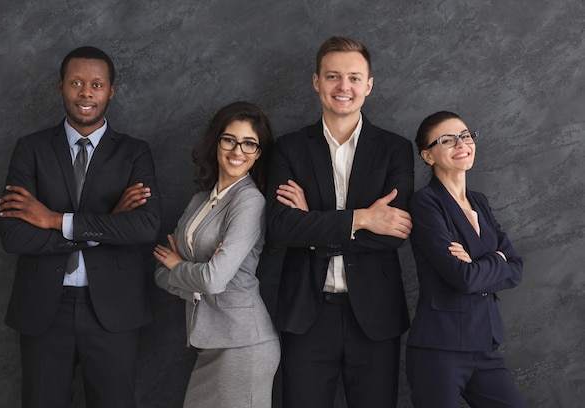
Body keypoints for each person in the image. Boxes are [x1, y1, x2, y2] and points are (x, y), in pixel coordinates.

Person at [0, 46, 161, 408]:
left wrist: (55, 221)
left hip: (113, 311)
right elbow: (14, 234)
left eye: (97, 84)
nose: (86, 92)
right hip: (44, 310)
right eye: (76, 82)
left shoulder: (134, 152)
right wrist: (106, 227)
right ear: (61, 87)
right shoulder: (31, 149)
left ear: (111, 91)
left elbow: (145, 226)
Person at [266, 36, 414, 408]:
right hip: (306, 315)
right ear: (317, 82)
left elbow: (394, 232)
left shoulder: (395, 148)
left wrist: (313, 227)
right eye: (333, 76)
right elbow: (282, 228)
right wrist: (363, 218)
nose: (343, 87)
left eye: (353, 77)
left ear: (369, 85)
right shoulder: (289, 148)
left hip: (375, 316)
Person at [153, 101, 280, 408]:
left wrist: (181, 266)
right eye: (230, 140)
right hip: (211, 342)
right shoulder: (199, 200)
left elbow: (213, 279)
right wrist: (194, 274)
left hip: (244, 345)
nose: (238, 151)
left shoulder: (250, 202)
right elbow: (160, 273)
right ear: (216, 142)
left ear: (259, 153)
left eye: (249, 143)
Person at [405, 111, 527, 407]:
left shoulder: (480, 202)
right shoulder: (424, 203)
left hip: (485, 343)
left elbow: (516, 269)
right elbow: (462, 277)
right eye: (447, 140)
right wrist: (496, 258)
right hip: (440, 347)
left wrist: (481, 262)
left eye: (465, 135)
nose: (461, 144)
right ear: (428, 155)